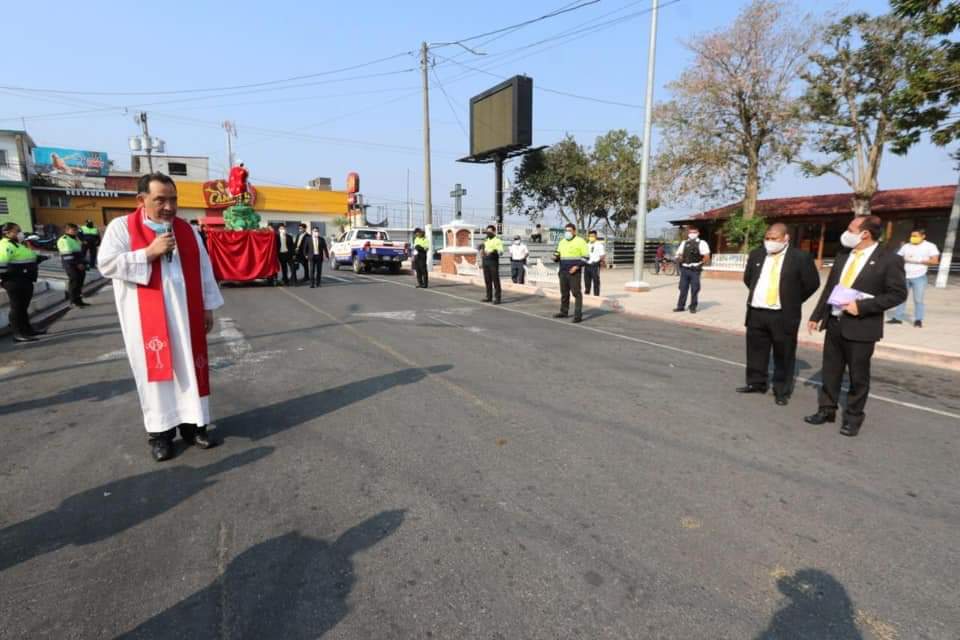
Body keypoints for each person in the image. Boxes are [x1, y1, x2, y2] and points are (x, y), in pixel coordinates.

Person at [98, 172, 224, 461]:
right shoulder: (122, 228)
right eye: (160, 200)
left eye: (173, 199)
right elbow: (106, 264)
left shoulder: (187, 231)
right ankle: (161, 435)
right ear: (141, 200)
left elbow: (204, 270)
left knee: (190, 371)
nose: (169, 206)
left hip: (187, 317)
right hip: (146, 322)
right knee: (157, 376)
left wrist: (207, 307)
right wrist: (148, 253)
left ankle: (194, 428)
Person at [805, 215, 907, 437]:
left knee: (858, 376)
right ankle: (826, 409)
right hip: (834, 322)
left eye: (850, 229)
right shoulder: (844, 256)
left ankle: (853, 418)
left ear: (865, 233)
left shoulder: (889, 260)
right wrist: (817, 315)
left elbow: (898, 294)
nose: (846, 232)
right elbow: (830, 288)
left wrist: (862, 307)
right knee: (831, 371)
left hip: (862, 326)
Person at [738, 223, 820, 405]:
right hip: (757, 312)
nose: (769, 242)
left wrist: (792, 300)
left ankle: (781, 390)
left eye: (774, 238)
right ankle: (755, 383)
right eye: (767, 238)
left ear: (785, 238)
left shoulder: (800, 257)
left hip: (783, 314)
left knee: (784, 353)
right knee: (756, 351)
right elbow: (748, 278)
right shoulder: (757, 255)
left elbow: (812, 283)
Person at [0, 222, 48, 343]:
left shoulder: (17, 244)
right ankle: (18, 333)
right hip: (15, 281)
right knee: (17, 307)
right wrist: (6, 279)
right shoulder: (5, 245)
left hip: (24, 279)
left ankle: (27, 330)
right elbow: (2, 265)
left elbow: (22, 258)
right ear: (7, 233)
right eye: (17, 230)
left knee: (23, 307)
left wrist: (37, 259)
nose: (20, 233)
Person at [888, 227, 939, 328]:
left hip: (919, 277)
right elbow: (898, 258)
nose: (913, 238)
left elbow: (935, 261)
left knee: (918, 299)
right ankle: (897, 318)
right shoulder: (907, 246)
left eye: (915, 236)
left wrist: (918, 260)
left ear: (923, 236)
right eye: (912, 236)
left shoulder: (930, 246)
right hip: (904, 276)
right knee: (901, 297)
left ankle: (918, 320)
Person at [553, 222, 589, 323]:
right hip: (563, 271)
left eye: (569, 231)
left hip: (574, 272)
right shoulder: (562, 241)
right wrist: (555, 257)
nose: (567, 233)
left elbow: (586, 257)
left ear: (574, 231)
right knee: (564, 293)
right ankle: (564, 312)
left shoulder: (580, 241)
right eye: (566, 231)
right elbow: (557, 253)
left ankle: (578, 316)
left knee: (576, 293)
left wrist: (577, 267)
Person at [674, 226, 711, 313]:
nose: (692, 234)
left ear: (698, 233)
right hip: (685, 269)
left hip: (695, 269)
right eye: (690, 232)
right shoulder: (684, 243)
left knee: (695, 289)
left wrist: (700, 264)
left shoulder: (702, 243)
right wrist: (679, 258)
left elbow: (706, 256)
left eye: (694, 232)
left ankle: (693, 307)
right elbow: (678, 254)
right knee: (683, 288)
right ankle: (680, 306)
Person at [57, 223, 90, 308]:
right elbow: (67, 254)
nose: (75, 231)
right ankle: (73, 301)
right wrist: (78, 264)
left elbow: (79, 251)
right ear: (67, 230)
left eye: (76, 230)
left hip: (79, 262)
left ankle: (79, 300)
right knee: (74, 281)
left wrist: (84, 262)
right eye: (73, 230)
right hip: (70, 264)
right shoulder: (64, 240)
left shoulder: (75, 238)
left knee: (80, 282)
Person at [479, 225, 503, 304]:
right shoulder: (486, 240)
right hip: (485, 261)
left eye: (490, 231)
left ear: (494, 231)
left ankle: (498, 298)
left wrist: (493, 251)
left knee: (495, 280)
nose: (488, 233)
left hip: (493, 261)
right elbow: (482, 249)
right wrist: (481, 250)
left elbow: (501, 252)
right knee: (487, 280)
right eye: (487, 231)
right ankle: (489, 297)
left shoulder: (497, 240)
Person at [584, 230, 605, 296]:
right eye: (590, 236)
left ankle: (596, 295)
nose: (591, 237)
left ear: (596, 236)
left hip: (595, 265)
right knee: (587, 282)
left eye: (592, 236)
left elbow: (602, 255)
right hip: (587, 265)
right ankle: (587, 294)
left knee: (596, 281)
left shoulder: (599, 245)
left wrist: (601, 264)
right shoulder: (587, 244)